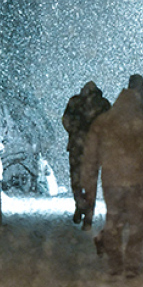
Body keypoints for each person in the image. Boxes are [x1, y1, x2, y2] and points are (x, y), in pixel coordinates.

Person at [82, 86, 143, 277]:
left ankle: (115, 262)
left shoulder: (103, 122)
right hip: (138, 180)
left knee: (113, 220)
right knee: (137, 222)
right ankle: (132, 263)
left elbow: (90, 155)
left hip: (112, 181)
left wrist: (88, 179)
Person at [61, 81, 111, 228]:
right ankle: (88, 214)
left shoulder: (75, 101)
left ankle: (80, 204)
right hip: (94, 149)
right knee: (91, 183)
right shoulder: (103, 104)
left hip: (77, 147)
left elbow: (66, 120)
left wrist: (76, 131)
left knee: (76, 180)